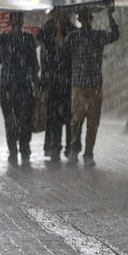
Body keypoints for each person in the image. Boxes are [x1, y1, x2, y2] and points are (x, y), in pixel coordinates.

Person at [0, 11, 39, 163]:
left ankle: (24, 149)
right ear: (10, 22)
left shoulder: (28, 39)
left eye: (19, 20)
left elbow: (34, 64)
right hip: (8, 87)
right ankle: (13, 150)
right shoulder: (5, 39)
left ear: (22, 22)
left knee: (24, 120)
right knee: (10, 121)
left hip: (24, 86)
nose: (17, 23)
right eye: (14, 20)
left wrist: (36, 83)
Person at [66, 5, 119, 166]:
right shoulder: (73, 36)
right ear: (79, 20)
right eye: (82, 17)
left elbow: (115, 35)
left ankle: (88, 153)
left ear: (91, 19)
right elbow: (61, 49)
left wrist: (111, 17)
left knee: (93, 122)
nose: (85, 20)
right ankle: (74, 150)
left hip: (95, 84)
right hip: (78, 84)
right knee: (76, 120)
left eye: (87, 17)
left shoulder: (98, 36)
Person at [37, 10, 74, 162]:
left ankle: (70, 147)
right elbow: (40, 40)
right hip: (52, 81)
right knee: (54, 118)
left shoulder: (71, 30)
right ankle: (54, 147)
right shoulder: (48, 28)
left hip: (68, 81)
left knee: (69, 117)